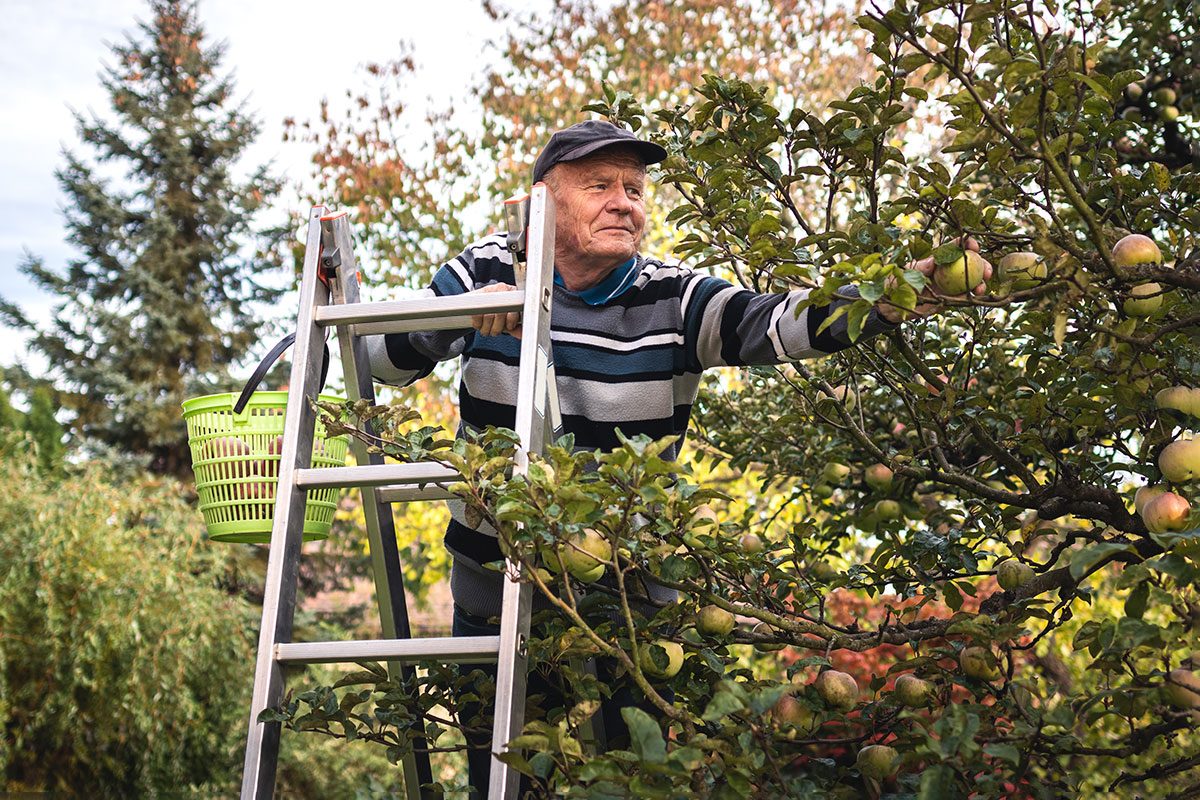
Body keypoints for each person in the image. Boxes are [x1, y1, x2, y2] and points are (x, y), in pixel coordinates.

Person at [368, 119, 990, 797]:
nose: (625, 201)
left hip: (629, 590)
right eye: (601, 185)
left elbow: (775, 322)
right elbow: (379, 359)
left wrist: (894, 294)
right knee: (503, 773)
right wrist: (461, 311)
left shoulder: (674, 297)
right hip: (496, 579)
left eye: (635, 188)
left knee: (639, 771)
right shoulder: (487, 270)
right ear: (543, 198)